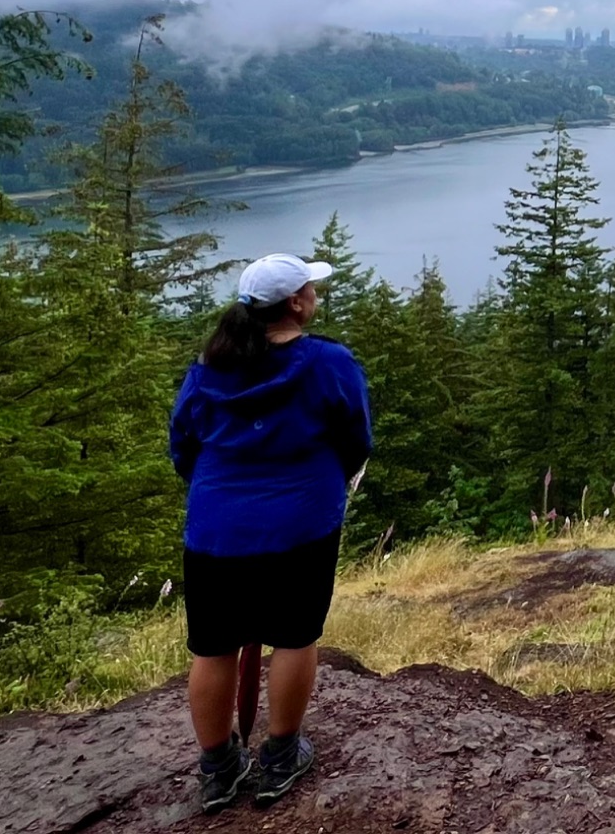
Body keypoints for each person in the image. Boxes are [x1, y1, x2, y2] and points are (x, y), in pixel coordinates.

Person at [169, 253, 372, 814]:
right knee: (293, 635)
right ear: (296, 303)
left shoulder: (207, 368)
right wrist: (332, 477)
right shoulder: (327, 363)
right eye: (312, 287)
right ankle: (280, 756)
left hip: (216, 529)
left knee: (212, 647)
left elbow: (183, 447)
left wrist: (224, 492)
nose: (316, 294)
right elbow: (356, 435)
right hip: (301, 520)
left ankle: (219, 769)